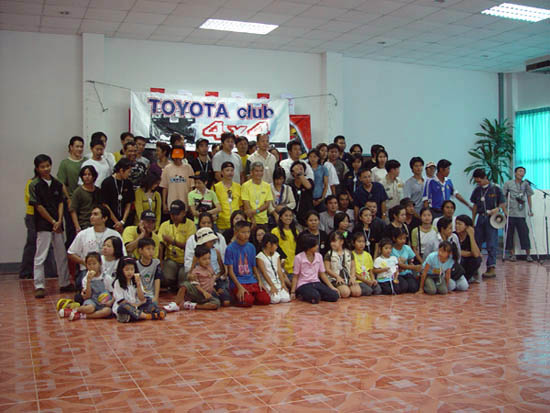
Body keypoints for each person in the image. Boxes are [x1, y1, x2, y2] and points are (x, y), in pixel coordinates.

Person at [30, 154, 73, 298]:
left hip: (58, 225)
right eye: (42, 167)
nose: (46, 169)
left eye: (48, 165)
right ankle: (39, 286)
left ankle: (65, 283)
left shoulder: (57, 183)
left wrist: (59, 220)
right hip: (43, 224)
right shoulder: (34, 185)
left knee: (61, 254)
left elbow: (61, 202)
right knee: (40, 255)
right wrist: (53, 221)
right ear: (37, 168)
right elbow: (38, 206)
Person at [68, 206, 124, 285]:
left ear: (104, 218)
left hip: (111, 269)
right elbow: (71, 253)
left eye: (95, 214)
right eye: (91, 214)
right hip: (88, 270)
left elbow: (122, 254)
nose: (92, 217)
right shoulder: (83, 234)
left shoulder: (114, 234)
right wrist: (85, 263)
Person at [224, 221, 271, 307]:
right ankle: (238, 297)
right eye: (243, 232)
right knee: (247, 301)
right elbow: (230, 271)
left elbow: (254, 267)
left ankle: (251, 295)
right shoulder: (230, 248)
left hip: (251, 280)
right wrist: (239, 287)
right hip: (239, 282)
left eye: (248, 232)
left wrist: (260, 281)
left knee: (265, 300)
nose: (246, 235)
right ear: (236, 233)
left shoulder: (251, 247)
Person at [165, 245, 225, 311]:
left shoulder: (210, 269)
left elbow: (211, 282)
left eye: (209, 258)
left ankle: (193, 306)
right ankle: (176, 304)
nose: (207, 261)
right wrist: (204, 292)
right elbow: (195, 284)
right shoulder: (196, 270)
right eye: (204, 259)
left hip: (207, 295)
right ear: (198, 260)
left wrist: (215, 290)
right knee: (185, 285)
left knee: (216, 304)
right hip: (198, 293)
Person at [470, 168, 506, 279]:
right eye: (476, 181)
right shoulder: (477, 190)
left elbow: (502, 204)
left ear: (485, 177)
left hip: (492, 219)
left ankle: (491, 267)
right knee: (477, 242)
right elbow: (475, 206)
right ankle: (474, 267)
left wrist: (498, 209)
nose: (478, 183)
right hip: (481, 217)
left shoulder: (495, 189)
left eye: (479, 181)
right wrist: (472, 220)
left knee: (491, 243)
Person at [59, 252, 113, 321]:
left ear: (100, 263)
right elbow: (87, 296)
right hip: (91, 301)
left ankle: (83, 315)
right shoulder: (85, 279)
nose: (92, 266)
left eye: (94, 264)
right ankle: (74, 309)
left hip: (104, 303)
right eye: (89, 264)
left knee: (107, 311)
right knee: (90, 308)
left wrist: (110, 302)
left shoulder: (106, 277)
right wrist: (88, 281)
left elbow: (112, 293)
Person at [20, 177, 56, 280]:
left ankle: (50, 272)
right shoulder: (31, 183)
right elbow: (34, 199)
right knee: (32, 242)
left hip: (47, 214)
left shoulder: (51, 183)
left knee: (48, 243)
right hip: (33, 215)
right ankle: (26, 272)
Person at [112, 257, 166, 322]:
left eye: (132, 269)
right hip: (125, 307)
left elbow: (142, 298)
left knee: (149, 300)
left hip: (137, 307)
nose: (130, 272)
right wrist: (136, 305)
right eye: (127, 270)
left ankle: (136, 316)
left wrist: (138, 285)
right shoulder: (118, 283)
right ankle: (148, 316)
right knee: (124, 307)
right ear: (121, 270)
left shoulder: (136, 280)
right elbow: (121, 302)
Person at [291, 234, 340, 304]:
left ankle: (316, 294)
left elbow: (322, 274)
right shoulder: (298, 257)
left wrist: (332, 287)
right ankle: (305, 294)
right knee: (315, 297)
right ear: (309, 247)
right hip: (303, 284)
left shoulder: (319, 256)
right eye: (315, 245)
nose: (317, 246)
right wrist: (293, 292)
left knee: (334, 296)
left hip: (316, 282)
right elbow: (295, 276)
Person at [158, 200, 196, 289]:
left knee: (183, 284)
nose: (174, 216)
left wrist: (173, 242)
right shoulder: (164, 225)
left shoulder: (191, 225)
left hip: (186, 261)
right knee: (166, 278)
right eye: (172, 214)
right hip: (171, 259)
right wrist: (160, 263)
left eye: (177, 214)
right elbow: (160, 246)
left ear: (184, 213)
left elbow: (189, 246)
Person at [57, 136, 87, 245]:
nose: (79, 149)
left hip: (85, 202)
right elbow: (61, 183)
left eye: (81, 147)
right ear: (71, 147)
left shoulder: (86, 161)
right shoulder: (65, 163)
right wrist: (69, 199)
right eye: (77, 146)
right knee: (71, 229)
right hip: (70, 201)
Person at [503, 166, 535, 262]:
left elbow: (529, 196)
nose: (522, 173)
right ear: (515, 173)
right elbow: (503, 197)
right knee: (509, 235)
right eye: (520, 171)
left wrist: (530, 210)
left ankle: (528, 255)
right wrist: (504, 210)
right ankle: (512, 255)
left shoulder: (525, 184)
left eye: (523, 172)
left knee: (524, 234)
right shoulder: (508, 183)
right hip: (510, 213)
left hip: (521, 214)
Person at [101, 158, 134, 232]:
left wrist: (122, 221)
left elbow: (128, 203)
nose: (129, 174)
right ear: (121, 170)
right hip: (110, 222)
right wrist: (116, 222)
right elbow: (105, 204)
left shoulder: (128, 183)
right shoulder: (107, 183)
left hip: (125, 221)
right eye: (128, 172)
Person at [256, 234, 291, 304]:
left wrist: (283, 283)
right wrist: (272, 285)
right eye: (275, 245)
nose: (277, 247)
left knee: (286, 298)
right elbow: (264, 273)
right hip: (268, 282)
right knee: (275, 299)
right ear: (268, 244)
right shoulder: (259, 257)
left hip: (278, 282)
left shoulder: (276, 254)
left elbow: (279, 270)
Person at [436, 217, 468, 292]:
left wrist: (455, 266)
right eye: (449, 228)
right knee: (451, 286)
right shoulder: (433, 241)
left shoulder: (454, 237)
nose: (451, 230)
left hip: (454, 268)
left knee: (464, 286)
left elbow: (458, 254)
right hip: (441, 270)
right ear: (442, 229)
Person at [160, 145, 194, 213]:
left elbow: (191, 187)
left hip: (185, 203)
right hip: (171, 203)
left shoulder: (188, 168)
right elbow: (164, 187)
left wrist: (191, 204)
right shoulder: (167, 168)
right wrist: (164, 204)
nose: (177, 158)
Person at [324, 231, 358, 299]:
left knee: (357, 292)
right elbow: (327, 269)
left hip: (348, 277)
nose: (332, 243)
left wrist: (352, 277)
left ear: (341, 242)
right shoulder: (329, 254)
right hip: (335, 279)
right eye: (331, 241)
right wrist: (337, 277)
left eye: (334, 241)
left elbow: (353, 266)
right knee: (345, 293)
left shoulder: (349, 252)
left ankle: (346, 287)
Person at [70, 165, 101, 233]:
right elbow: (73, 210)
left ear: (94, 176)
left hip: (97, 223)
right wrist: (77, 226)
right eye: (84, 175)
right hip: (84, 224)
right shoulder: (78, 192)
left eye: (89, 174)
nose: (87, 177)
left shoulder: (98, 191)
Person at [390, 228, 421, 293]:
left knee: (413, 288)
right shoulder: (391, 250)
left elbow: (410, 260)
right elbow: (399, 264)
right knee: (404, 287)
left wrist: (412, 264)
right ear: (394, 238)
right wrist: (414, 267)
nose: (403, 241)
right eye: (400, 239)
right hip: (397, 273)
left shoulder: (407, 248)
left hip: (407, 273)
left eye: (404, 238)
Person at [214, 161, 242, 231]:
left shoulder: (238, 186)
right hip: (222, 224)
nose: (230, 173)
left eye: (232, 170)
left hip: (237, 224)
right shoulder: (216, 187)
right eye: (227, 170)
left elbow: (241, 205)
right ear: (222, 172)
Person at [350, 231, 381, 296]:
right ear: (353, 243)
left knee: (378, 290)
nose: (361, 244)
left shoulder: (368, 255)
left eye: (363, 242)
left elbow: (370, 271)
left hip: (368, 279)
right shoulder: (351, 255)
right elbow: (354, 273)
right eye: (359, 241)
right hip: (359, 280)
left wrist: (373, 279)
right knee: (368, 291)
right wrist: (366, 281)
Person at [271, 207, 297, 279]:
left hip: (294, 266)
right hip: (282, 266)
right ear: (280, 217)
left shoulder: (295, 231)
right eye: (286, 215)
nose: (288, 218)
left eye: (290, 216)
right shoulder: (275, 231)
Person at [455, 215, 482, 284]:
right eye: (456, 223)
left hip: (467, 260)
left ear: (467, 226)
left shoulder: (472, 236)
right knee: (461, 259)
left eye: (459, 224)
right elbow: (455, 252)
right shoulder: (454, 235)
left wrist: (471, 236)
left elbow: (476, 254)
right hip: (457, 260)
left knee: (477, 260)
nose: (457, 226)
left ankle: (466, 279)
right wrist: (470, 253)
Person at [135, 238, 162, 305]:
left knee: (153, 306)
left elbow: (157, 279)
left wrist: (156, 297)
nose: (151, 251)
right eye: (148, 249)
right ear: (140, 250)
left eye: (153, 249)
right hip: (139, 295)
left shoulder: (156, 263)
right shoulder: (135, 264)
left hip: (151, 295)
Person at [289, 161, 314, 226]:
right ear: (292, 172)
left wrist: (300, 174)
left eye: (301, 169)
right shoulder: (289, 185)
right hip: (294, 216)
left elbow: (308, 186)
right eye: (297, 169)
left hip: (307, 216)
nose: (299, 171)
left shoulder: (309, 181)